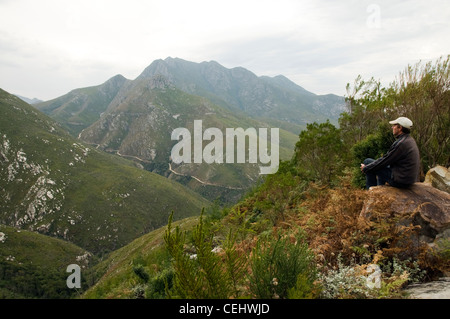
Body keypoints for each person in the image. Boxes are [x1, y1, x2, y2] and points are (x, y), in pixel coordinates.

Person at [360, 117, 420, 189]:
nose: (392, 127)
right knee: (379, 167)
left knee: (367, 162)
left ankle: (370, 192)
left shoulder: (401, 144)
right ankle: (379, 189)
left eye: (394, 125)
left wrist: (366, 168)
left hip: (401, 180)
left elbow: (385, 160)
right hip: (407, 178)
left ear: (400, 128)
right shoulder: (409, 140)